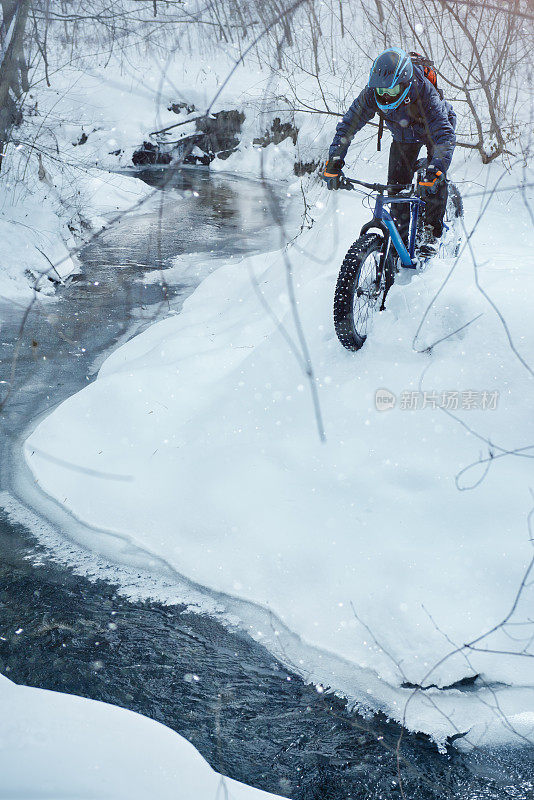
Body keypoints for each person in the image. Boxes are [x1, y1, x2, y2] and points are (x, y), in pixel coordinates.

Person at [323, 47, 456, 255]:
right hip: (403, 136)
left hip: (434, 131)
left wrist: (436, 169)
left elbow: (445, 136)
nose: (385, 96)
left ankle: (431, 231)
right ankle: (398, 245)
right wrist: (335, 160)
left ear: (404, 84)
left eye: (391, 91)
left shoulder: (423, 92)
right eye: (381, 91)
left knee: (433, 182)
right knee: (396, 190)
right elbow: (348, 125)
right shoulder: (373, 92)